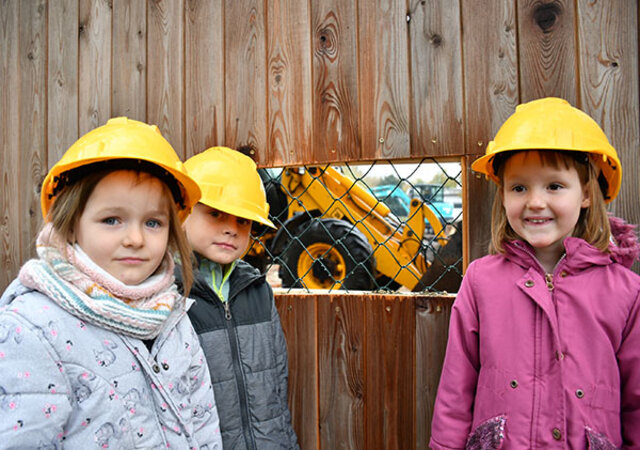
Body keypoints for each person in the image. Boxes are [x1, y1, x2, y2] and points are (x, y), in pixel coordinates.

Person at [430, 97, 640, 448]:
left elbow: (635, 401)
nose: (535, 202)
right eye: (519, 187)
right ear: (503, 195)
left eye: (554, 186)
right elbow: (456, 390)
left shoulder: (626, 291)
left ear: (586, 194)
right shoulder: (481, 281)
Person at [0, 117, 222, 449]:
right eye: (112, 220)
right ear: (71, 224)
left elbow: (204, 423)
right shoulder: (31, 330)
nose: (135, 238)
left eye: (152, 222)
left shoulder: (171, 316)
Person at [178, 147, 299, 449]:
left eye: (243, 220)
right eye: (215, 214)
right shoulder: (169, 295)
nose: (231, 228)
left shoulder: (257, 290)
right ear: (183, 211)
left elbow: (276, 384)